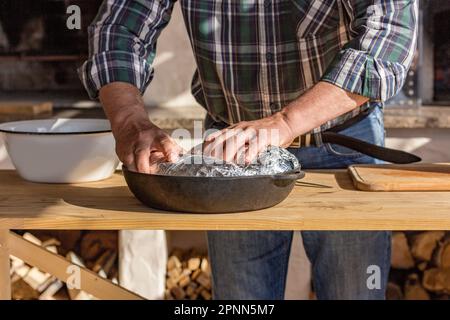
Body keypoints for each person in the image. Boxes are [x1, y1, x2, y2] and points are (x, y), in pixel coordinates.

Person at [80, 0, 418, 299]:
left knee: (356, 291)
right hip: (230, 157)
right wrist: (128, 121)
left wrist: (286, 122)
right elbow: (119, 28)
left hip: (343, 144)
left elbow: (388, 36)